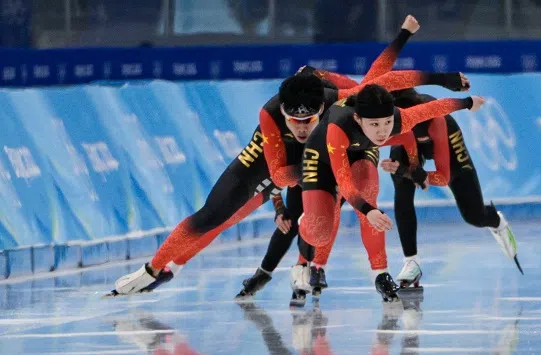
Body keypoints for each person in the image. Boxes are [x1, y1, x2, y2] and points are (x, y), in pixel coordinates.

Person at [108, 16, 466, 297]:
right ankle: (154, 270)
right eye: (293, 120)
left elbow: (380, 79)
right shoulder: (270, 114)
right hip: (275, 160)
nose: (299, 126)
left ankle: (309, 262)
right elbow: (279, 176)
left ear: (321, 107)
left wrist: (441, 75)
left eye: (306, 119)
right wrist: (304, 184)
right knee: (217, 217)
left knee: (348, 194)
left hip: (331, 149)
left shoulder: (340, 99)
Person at [293, 84, 485, 305]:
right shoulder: (339, 125)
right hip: (323, 156)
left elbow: (436, 108)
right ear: (358, 119)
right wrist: (367, 210)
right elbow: (345, 183)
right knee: (321, 228)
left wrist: (469, 102)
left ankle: (381, 273)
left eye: (387, 123)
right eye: (375, 124)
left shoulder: (399, 119)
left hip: (362, 149)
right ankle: (305, 240)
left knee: (369, 190)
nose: (382, 131)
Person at [380, 88, 521, 289]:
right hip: (406, 142)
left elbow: (443, 177)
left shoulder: (437, 121)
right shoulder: (390, 120)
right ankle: (411, 261)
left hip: (444, 139)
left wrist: (411, 172)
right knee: (401, 186)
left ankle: (492, 218)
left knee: (473, 216)